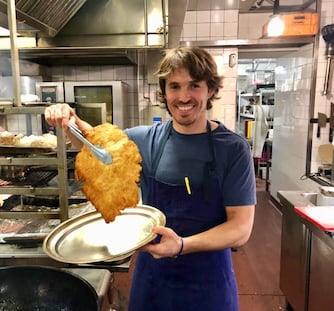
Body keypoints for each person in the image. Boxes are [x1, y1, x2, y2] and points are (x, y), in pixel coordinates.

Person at [44, 46, 256, 311]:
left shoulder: (233, 148)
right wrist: (68, 119)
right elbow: (94, 146)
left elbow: (240, 230)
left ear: (210, 90)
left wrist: (181, 245)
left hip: (209, 285)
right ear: (164, 92)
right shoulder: (145, 139)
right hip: (154, 281)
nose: (183, 97)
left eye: (194, 86)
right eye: (175, 86)